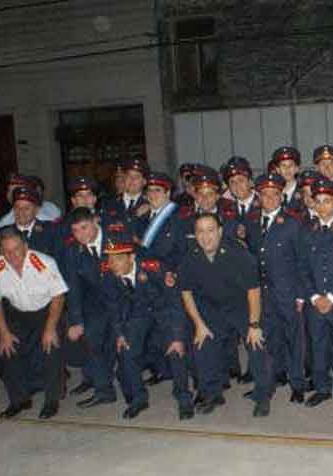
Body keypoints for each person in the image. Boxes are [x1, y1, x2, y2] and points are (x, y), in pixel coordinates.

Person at [178, 213, 262, 415]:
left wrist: (254, 325)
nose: (205, 237)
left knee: (257, 344)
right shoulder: (191, 256)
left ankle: (263, 394)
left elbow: (254, 290)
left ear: (220, 231)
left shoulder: (238, 253)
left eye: (210, 230)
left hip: (242, 305)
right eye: (200, 231)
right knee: (203, 344)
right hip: (212, 308)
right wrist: (199, 324)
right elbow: (186, 292)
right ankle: (213, 393)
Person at [102, 232, 192, 420]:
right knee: (127, 352)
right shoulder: (109, 274)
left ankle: (183, 398)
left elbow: (175, 302)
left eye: (117, 259)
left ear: (132, 257)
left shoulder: (154, 267)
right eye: (109, 260)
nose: (112, 265)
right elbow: (113, 306)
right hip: (138, 314)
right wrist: (120, 333)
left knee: (176, 351)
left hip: (164, 311)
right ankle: (138, 398)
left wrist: (176, 337)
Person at [0, 227, 68, 419]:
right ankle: (20, 400)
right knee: (6, 350)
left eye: (16, 249)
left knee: (51, 348)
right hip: (18, 313)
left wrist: (50, 328)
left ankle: (52, 399)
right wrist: (4, 332)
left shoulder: (44, 263)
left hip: (47, 311)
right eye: (6, 251)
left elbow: (58, 297)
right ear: (0, 250)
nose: (12, 255)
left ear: (25, 246)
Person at [245, 173, 307, 402]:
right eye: (265, 194)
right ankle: (271, 379)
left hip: (288, 293)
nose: (269, 199)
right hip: (262, 294)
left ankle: (298, 384)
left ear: (281, 196)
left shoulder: (292, 223)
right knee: (269, 338)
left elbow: (302, 262)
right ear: (258, 196)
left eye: (274, 194)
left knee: (294, 339)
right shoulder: (251, 223)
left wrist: (301, 295)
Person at [297, 179, 333, 408]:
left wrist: (332, 298)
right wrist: (314, 297)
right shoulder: (306, 229)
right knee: (318, 347)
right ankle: (322, 388)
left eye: (327, 201)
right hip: (315, 301)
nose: (322, 207)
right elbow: (302, 268)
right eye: (317, 202)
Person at [62, 207, 119, 408]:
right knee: (92, 339)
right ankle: (104, 391)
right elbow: (74, 287)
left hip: (124, 300)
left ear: (95, 222)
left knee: (122, 346)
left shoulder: (117, 239)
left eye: (84, 228)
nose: (81, 235)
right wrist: (77, 321)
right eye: (75, 231)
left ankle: (113, 377)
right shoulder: (72, 250)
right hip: (96, 304)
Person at [0, 186, 58, 257]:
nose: (21, 212)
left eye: (27, 208)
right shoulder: (3, 232)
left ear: (36, 210)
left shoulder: (51, 230)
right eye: (17, 207)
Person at [221, 156, 260, 221]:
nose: (237, 185)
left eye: (241, 180)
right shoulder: (225, 209)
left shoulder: (263, 204)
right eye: (232, 182)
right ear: (229, 188)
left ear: (250, 182)